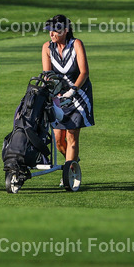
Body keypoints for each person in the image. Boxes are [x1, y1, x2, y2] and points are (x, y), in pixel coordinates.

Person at [41, 14, 93, 163]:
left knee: (71, 135)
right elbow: (48, 75)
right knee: (58, 140)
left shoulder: (76, 44)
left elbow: (84, 72)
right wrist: (52, 92)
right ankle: (73, 163)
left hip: (79, 95)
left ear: (66, 30)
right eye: (50, 30)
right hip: (59, 97)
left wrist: (73, 90)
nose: (52, 34)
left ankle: (69, 172)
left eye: (56, 31)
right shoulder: (47, 47)